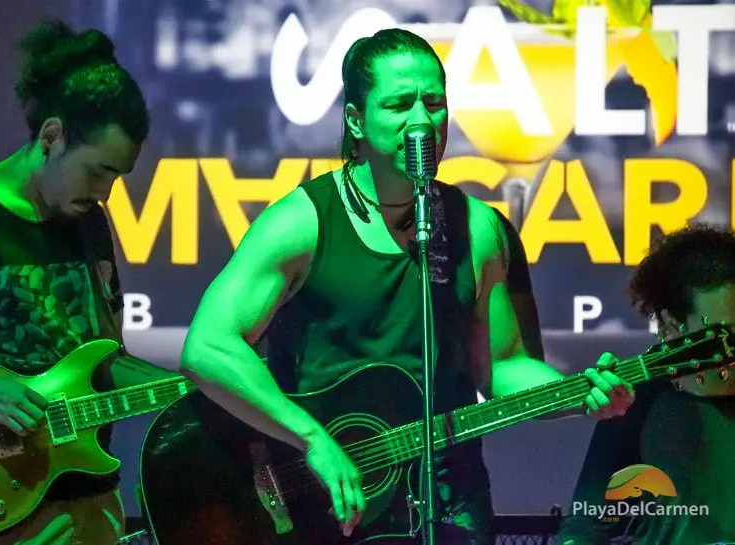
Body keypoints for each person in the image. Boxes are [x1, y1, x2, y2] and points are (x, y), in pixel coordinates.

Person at [180, 28, 634, 545]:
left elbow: (502, 367)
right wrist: (313, 441)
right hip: (328, 501)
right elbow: (208, 346)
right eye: (399, 105)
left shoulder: (477, 229)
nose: (421, 122)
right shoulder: (303, 223)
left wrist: (577, 395)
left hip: (449, 501)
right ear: (356, 120)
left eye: (434, 104)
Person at [0, 19, 176, 545]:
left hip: (95, 503)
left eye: (117, 177)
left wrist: (209, 386)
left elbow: (108, 357)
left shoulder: (88, 223)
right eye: (98, 171)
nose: (106, 192)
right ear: (51, 137)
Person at [558, 223, 735, 544]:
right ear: (672, 325)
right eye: (720, 333)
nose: (729, 346)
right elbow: (586, 523)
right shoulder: (639, 396)